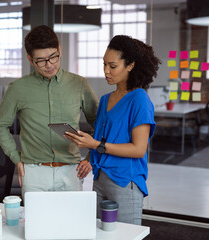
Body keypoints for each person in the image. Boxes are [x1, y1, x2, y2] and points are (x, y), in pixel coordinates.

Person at [0, 25, 99, 200]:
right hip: (34, 171)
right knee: (36, 226)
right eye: (40, 60)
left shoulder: (79, 84)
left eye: (53, 57)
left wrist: (90, 157)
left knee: (71, 225)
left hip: (71, 170)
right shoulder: (17, 88)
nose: (49, 65)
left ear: (60, 50)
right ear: (30, 59)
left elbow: (99, 123)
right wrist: (16, 158)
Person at [65, 35, 160, 225]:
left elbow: (138, 149)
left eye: (113, 66)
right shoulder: (105, 100)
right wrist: (89, 158)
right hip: (100, 179)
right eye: (104, 64)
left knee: (125, 236)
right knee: (100, 233)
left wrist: (95, 145)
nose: (106, 71)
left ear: (130, 66)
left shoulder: (139, 99)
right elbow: (102, 139)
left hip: (125, 181)